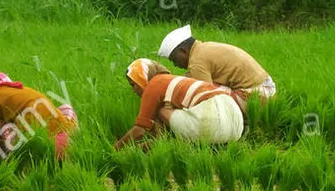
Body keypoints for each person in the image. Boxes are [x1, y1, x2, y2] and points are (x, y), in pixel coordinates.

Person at [114, 57, 245, 149]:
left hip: (212, 119)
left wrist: (115, 149)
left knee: (160, 110)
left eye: (133, 84)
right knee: (165, 111)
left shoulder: (154, 85)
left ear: (142, 77)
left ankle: (181, 145)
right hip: (236, 124)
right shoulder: (172, 82)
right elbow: (158, 135)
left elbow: (140, 130)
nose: (133, 90)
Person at [0, 69, 78, 163]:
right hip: (64, 136)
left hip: (38, 147)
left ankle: (22, 163)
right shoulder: (20, 91)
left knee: (4, 132)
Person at [159, 24, 277, 100]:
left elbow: (206, 96)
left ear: (183, 51)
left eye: (174, 59)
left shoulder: (197, 62)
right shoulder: (204, 48)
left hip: (260, 94)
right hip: (268, 84)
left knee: (201, 94)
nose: (175, 64)